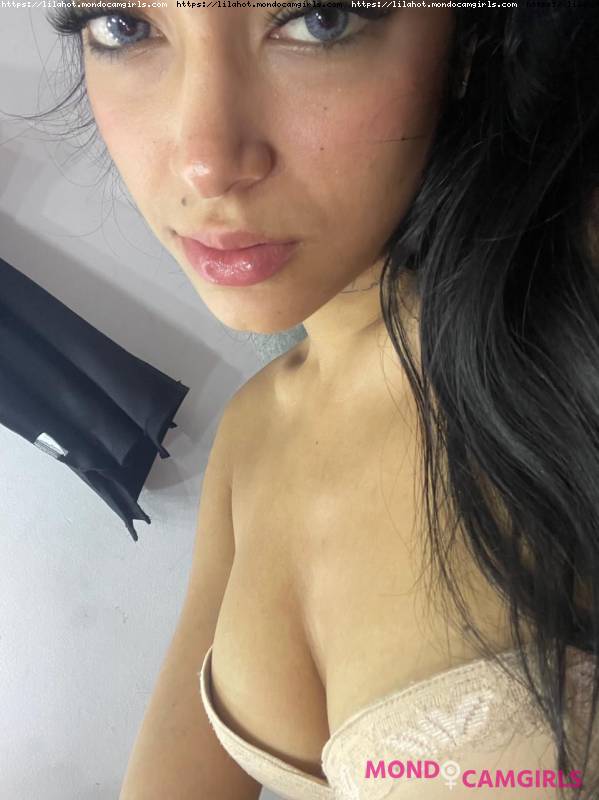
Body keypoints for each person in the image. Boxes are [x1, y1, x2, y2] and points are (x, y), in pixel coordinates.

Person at [36, 4, 599, 799]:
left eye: (320, 20)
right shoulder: (254, 430)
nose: (205, 164)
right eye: (125, 26)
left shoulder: (575, 323)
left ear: (472, 40)